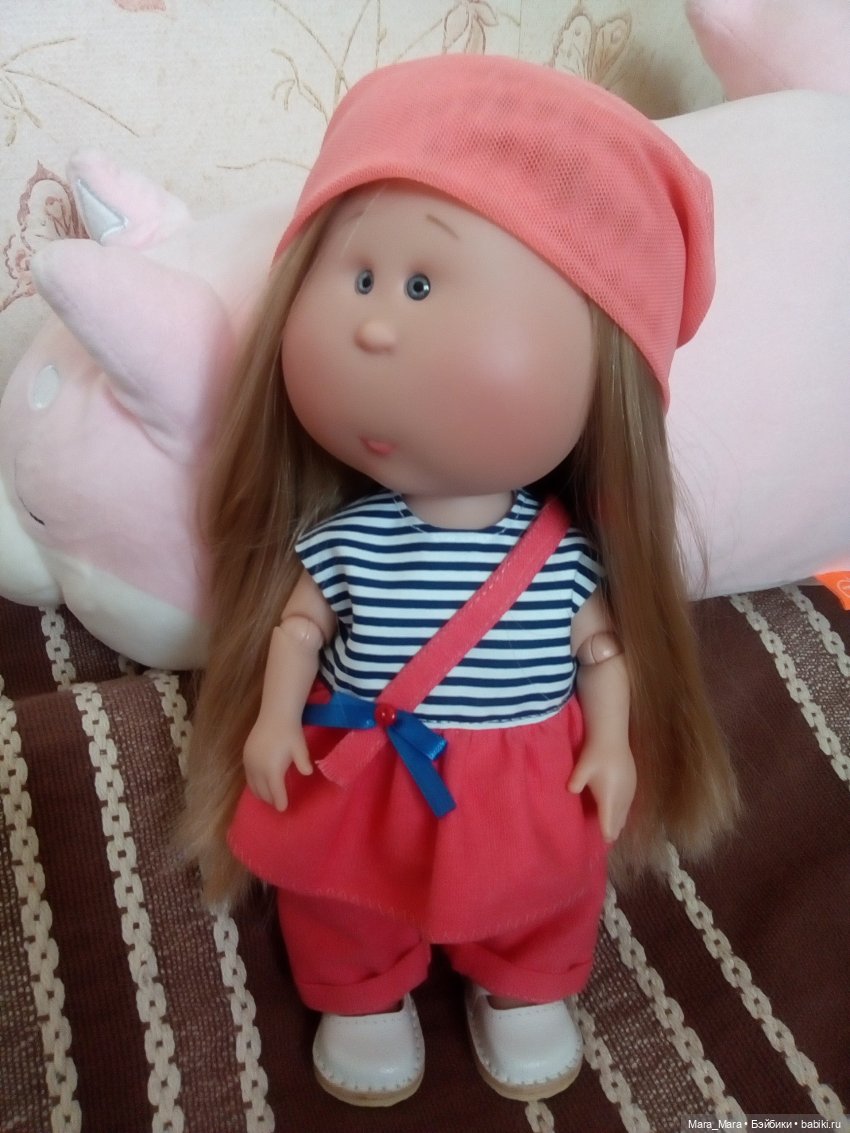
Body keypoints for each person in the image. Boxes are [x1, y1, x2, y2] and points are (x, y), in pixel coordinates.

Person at [182, 54, 738, 1108]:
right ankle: (361, 988)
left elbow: (602, 649)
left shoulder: (564, 552)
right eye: (358, 277)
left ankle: (524, 978)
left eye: (422, 285)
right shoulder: (346, 538)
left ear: (605, 366)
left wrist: (612, 742)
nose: (375, 325)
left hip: (522, 775)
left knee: (539, 891)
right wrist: (271, 720)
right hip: (363, 770)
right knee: (341, 895)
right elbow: (298, 628)